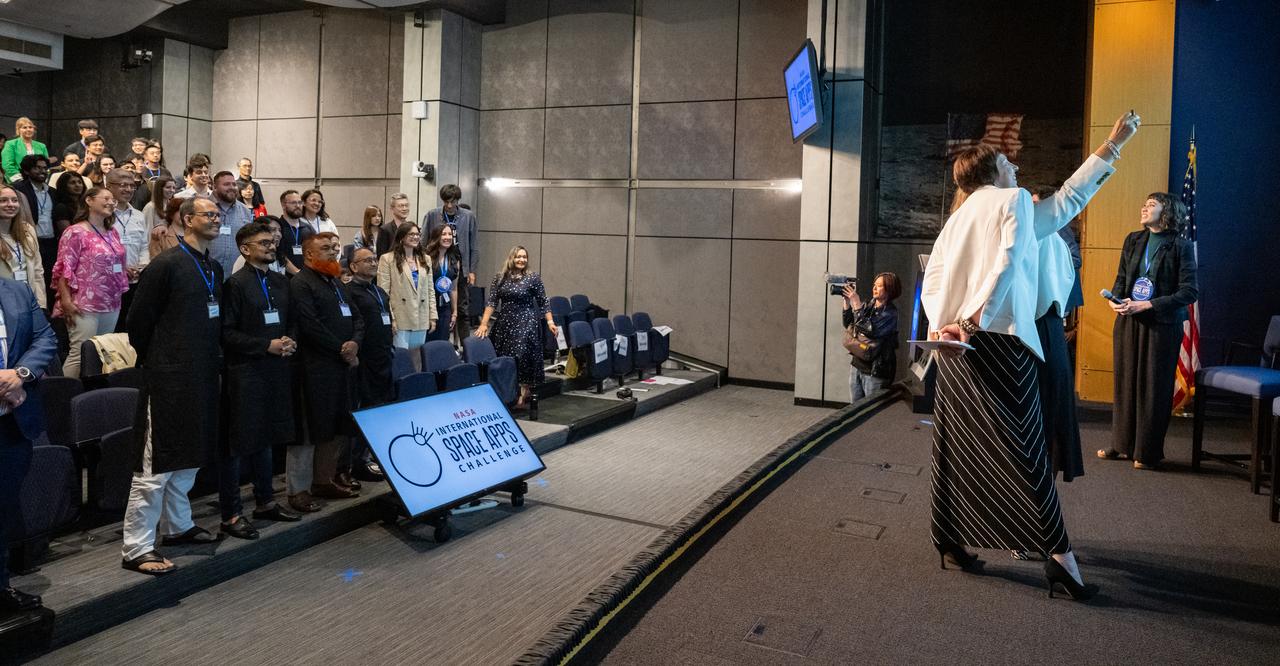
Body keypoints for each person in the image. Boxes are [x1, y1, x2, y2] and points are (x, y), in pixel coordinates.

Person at [920, 110, 1140, 600]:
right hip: (997, 340)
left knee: (956, 447)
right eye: (1008, 163)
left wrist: (944, 325)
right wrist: (973, 321)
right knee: (1026, 451)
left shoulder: (957, 217)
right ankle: (1060, 559)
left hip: (953, 347)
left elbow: (932, 279)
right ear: (992, 171)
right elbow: (1008, 262)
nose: (1016, 168)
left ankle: (949, 540)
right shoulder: (1013, 199)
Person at [119, 197, 225, 575]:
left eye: (218, 214)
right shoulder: (165, 264)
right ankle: (136, 547)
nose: (216, 219)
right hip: (168, 377)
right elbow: (138, 322)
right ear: (187, 219)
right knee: (156, 465)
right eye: (208, 214)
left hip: (201, 375)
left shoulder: (212, 267)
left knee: (188, 457)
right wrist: (163, 359)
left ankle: (178, 526)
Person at [1100, 193, 1198, 470]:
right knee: (1125, 382)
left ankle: (1147, 451)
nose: (1144, 208)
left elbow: (1189, 292)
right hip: (1128, 320)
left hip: (1162, 325)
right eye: (1144, 204)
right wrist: (1114, 301)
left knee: (1154, 387)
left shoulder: (1181, 246)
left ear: (1167, 211)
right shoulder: (1133, 239)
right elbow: (1121, 279)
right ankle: (1121, 444)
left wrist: (1148, 304)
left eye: (1151, 205)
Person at [219, 221, 302, 539]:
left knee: (266, 438)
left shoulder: (281, 282)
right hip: (246, 372)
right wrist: (265, 345)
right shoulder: (235, 285)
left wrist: (290, 340)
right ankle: (231, 514)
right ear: (245, 249)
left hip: (276, 370)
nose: (271, 246)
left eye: (273, 242)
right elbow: (227, 334)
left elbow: (292, 321)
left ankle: (265, 501)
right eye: (264, 242)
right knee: (239, 443)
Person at [289, 232, 363, 511]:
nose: (333, 252)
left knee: (336, 425)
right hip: (314, 368)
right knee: (310, 430)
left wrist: (355, 343)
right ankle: (298, 490)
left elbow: (358, 317)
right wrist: (341, 348)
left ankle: (324, 480)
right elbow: (309, 324)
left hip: (341, 366)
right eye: (326, 248)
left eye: (335, 247)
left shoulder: (336, 282)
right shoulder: (301, 283)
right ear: (309, 254)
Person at [0, 274, 58, 611]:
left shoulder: (17, 290)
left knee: (3, 506)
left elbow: (45, 337)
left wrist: (19, 375)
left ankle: (1, 585)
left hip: (11, 423)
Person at [52, 187, 130, 378]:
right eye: (106, 198)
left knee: (103, 351)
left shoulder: (112, 232)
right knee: (80, 353)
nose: (111, 202)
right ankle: (65, 393)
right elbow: (64, 268)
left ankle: (92, 393)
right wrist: (66, 301)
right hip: (84, 302)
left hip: (111, 301)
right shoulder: (75, 232)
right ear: (89, 200)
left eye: (113, 200)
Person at [476, 246, 556, 409]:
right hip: (505, 322)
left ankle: (522, 392)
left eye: (524, 257)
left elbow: (543, 302)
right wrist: (484, 323)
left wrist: (550, 322)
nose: (522, 260)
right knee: (503, 356)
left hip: (526, 321)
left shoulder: (533, 278)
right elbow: (492, 302)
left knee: (520, 355)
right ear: (511, 258)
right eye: (518, 256)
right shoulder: (500, 277)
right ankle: (506, 391)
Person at [345, 247, 392, 484]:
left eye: (375, 259)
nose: (373, 263)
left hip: (383, 359)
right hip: (363, 361)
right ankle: (355, 462)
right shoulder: (348, 292)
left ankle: (368, 456)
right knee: (363, 410)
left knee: (378, 409)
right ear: (353, 266)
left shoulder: (378, 290)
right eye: (367, 260)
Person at [423, 184, 476, 339]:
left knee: (462, 309)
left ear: (458, 200)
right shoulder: (432, 215)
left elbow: (474, 246)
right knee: (435, 304)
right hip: (436, 263)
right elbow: (423, 241)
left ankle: (465, 346)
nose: (450, 205)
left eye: (453, 201)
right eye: (446, 202)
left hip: (460, 265)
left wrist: (472, 270)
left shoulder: (468, 216)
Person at [376, 223, 436, 358]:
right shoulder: (387, 259)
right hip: (400, 317)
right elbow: (383, 293)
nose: (415, 237)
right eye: (411, 234)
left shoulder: (425, 259)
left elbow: (430, 290)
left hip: (421, 315)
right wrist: (391, 318)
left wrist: (432, 316)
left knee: (417, 358)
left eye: (417, 234)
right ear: (402, 237)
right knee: (401, 358)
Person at [842, 272, 901, 401]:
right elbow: (849, 324)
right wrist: (847, 303)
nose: (874, 288)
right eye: (874, 285)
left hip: (875, 370)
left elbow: (870, 331)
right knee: (854, 408)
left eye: (879, 286)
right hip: (857, 364)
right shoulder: (868, 306)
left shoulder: (890, 313)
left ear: (889, 289)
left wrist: (856, 304)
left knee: (871, 408)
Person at [104, 169, 150, 330]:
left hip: (135, 280)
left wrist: (142, 266)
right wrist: (121, 268)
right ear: (109, 186)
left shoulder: (138, 215)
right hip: (109, 282)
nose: (129, 189)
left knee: (132, 326)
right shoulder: (103, 215)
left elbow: (144, 245)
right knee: (111, 330)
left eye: (132, 186)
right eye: (123, 185)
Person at [10, 156, 58, 297]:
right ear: (26, 170)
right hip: (29, 240)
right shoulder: (18, 189)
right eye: (37, 168)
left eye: (45, 168)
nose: (42, 171)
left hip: (51, 242)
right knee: (33, 278)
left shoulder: (52, 191)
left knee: (50, 279)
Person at [0, 188, 45, 306]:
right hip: (4, 303)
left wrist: (41, 304)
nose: (10, 204)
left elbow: (37, 270)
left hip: (30, 300)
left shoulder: (28, 230)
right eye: (3, 200)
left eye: (14, 200)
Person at [210, 171, 253, 279]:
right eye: (226, 184)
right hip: (207, 272)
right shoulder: (203, 207)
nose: (232, 187)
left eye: (234, 184)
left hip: (236, 275)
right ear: (214, 187)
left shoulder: (245, 211)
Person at [424, 224, 461, 343]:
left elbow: (454, 288)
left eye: (450, 234)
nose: (448, 237)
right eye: (444, 234)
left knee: (443, 341)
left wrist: (454, 312)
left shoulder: (454, 259)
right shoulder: (426, 257)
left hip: (445, 306)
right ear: (436, 237)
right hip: (428, 306)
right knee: (427, 341)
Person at [275, 190, 313, 275]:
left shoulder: (308, 228)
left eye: (300, 202)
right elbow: (279, 254)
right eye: (293, 203)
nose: (298, 206)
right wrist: (297, 273)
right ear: (283, 205)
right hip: (284, 276)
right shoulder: (277, 228)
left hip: (306, 275)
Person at [2, 118, 49, 182]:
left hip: (38, 180)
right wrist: (20, 180)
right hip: (18, 181)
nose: (28, 129)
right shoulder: (10, 144)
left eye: (30, 127)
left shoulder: (42, 146)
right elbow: (7, 165)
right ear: (18, 130)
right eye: (24, 127)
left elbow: (46, 165)